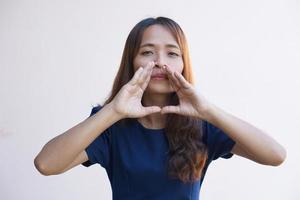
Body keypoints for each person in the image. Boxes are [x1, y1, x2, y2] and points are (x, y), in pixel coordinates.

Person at [34, 16, 287, 200]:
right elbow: (46, 164)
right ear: (132, 63)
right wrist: (113, 111)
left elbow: (275, 155)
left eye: (172, 54)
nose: (159, 62)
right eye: (147, 52)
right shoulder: (111, 124)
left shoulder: (203, 124)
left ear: (183, 64)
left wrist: (208, 110)